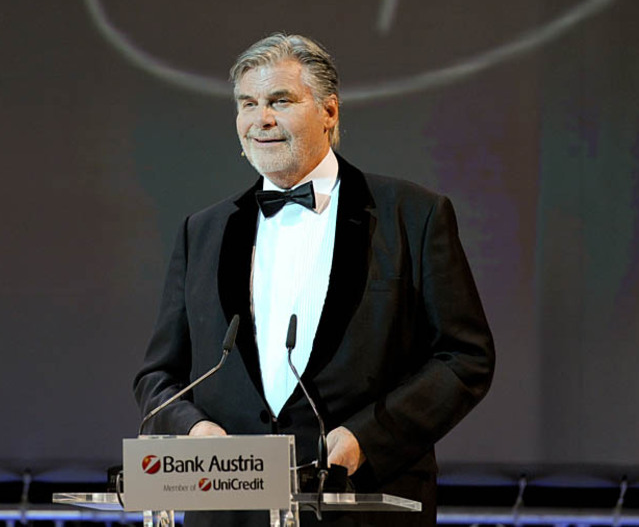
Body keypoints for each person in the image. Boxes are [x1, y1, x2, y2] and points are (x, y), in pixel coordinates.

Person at [134, 33, 495, 527]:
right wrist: (195, 433)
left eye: (280, 101)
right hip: (229, 510)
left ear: (329, 112)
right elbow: (159, 378)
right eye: (248, 103)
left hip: (362, 503)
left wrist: (367, 438)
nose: (260, 119)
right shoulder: (203, 231)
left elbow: (465, 358)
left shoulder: (413, 216)